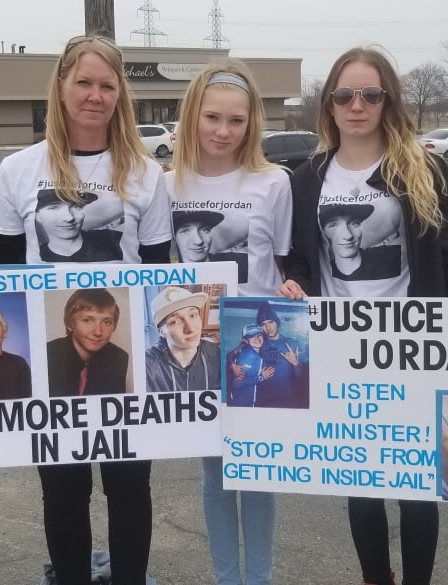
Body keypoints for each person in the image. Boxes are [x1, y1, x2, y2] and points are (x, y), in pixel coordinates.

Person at [276, 46, 448, 585]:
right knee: (361, 488)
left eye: (371, 94)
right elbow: (299, 259)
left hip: (410, 351)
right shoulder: (305, 180)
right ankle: (376, 577)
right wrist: (294, 285)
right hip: (341, 352)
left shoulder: (428, 172)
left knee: (418, 491)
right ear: (328, 104)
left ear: (388, 100)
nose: (357, 104)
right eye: (345, 94)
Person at [0, 34, 172, 585]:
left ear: (120, 94)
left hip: (119, 353)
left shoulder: (146, 173)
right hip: (51, 362)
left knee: (130, 486)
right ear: (60, 87)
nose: (94, 95)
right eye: (83, 82)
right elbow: (3, 267)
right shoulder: (17, 169)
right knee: (64, 489)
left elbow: (159, 273)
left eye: (107, 85)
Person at [165, 60, 292, 585]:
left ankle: (258, 578)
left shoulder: (274, 183)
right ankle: (226, 578)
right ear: (193, 115)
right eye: (212, 117)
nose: (223, 131)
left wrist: (292, 291)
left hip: (254, 346)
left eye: (236, 121)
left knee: (258, 474)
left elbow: (287, 264)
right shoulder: (165, 183)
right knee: (214, 476)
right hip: (196, 347)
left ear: (252, 123)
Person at [145, 286, 221, 393]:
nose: (190, 328)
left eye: (193, 315)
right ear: (161, 332)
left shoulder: (216, 354)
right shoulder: (148, 366)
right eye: (175, 321)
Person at [35, 189, 122, 261]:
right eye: (54, 208)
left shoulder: (114, 240)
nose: (69, 218)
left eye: (76, 207)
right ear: (37, 216)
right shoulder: (35, 257)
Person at [253, 301, 307, 408]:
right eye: (263, 324)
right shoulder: (257, 343)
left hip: (287, 398)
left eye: (271, 322)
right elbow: (233, 355)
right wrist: (232, 364)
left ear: (277, 323)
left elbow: (301, 376)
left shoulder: (293, 343)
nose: (268, 327)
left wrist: (295, 363)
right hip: (263, 399)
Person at [172, 209, 249, 282]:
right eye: (185, 231)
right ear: (174, 238)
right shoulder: (168, 272)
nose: (199, 241)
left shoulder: (239, 265)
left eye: (205, 230)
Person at [227, 323, 273, 407]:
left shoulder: (255, 352)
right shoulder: (248, 356)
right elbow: (236, 383)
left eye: (259, 335)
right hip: (241, 403)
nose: (257, 338)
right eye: (252, 336)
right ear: (246, 340)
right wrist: (261, 377)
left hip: (249, 400)